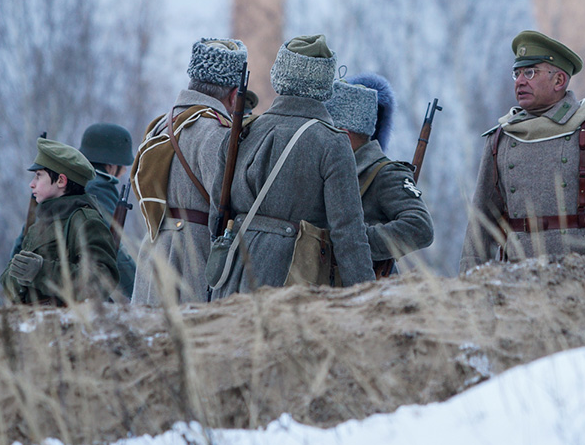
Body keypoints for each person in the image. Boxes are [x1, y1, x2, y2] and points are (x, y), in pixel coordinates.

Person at [460, 30, 585, 271]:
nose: (520, 81)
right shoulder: (500, 139)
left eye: (530, 72)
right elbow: (481, 224)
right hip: (516, 283)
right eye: (516, 73)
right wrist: (466, 293)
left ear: (559, 80)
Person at [208, 34, 374, 294]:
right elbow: (348, 234)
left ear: (280, 74)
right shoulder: (332, 143)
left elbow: (216, 212)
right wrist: (367, 295)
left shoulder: (243, 132)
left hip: (232, 274)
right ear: (325, 83)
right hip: (293, 279)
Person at [130, 38, 254, 306]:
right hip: (192, 258)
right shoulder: (215, 133)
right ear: (234, 96)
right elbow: (229, 202)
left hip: (155, 248)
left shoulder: (160, 125)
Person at [325, 74, 434, 276]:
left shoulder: (386, 173)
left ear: (344, 135)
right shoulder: (332, 168)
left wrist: (357, 241)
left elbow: (420, 227)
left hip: (370, 288)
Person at [1, 138, 118, 305]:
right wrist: (18, 276)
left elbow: (101, 281)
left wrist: (41, 271)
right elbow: (10, 282)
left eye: (38, 176)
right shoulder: (40, 224)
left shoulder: (85, 221)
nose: (31, 184)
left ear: (61, 181)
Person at [78, 123, 137, 300]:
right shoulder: (99, 189)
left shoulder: (73, 183)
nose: (124, 170)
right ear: (110, 166)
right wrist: (139, 290)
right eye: (122, 165)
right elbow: (111, 249)